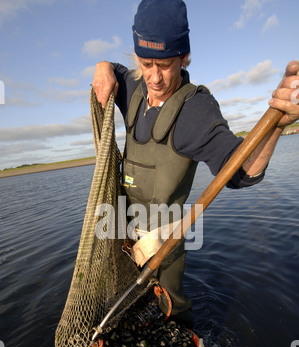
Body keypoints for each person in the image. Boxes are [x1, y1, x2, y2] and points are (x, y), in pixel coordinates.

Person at [92, 0, 299, 329]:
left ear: (184, 57)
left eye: (166, 64)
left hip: (164, 237)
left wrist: (277, 125)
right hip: (120, 225)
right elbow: (114, 71)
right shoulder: (131, 84)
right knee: (128, 306)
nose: (155, 78)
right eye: (146, 64)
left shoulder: (195, 111)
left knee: (171, 306)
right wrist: (102, 65)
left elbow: (241, 172)